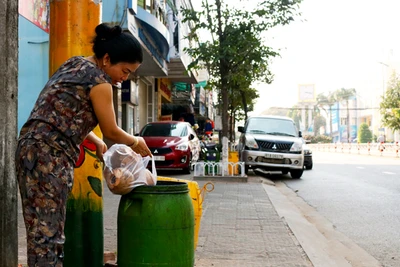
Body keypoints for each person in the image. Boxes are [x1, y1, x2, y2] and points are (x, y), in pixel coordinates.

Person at [15, 23, 152, 267]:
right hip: (50, 156)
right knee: (49, 234)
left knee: (39, 230)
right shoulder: (100, 82)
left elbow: (61, 110)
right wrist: (136, 141)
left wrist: (95, 140)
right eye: (125, 70)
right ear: (107, 58)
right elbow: (111, 129)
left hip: (29, 147)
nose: (125, 77)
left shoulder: (75, 64)